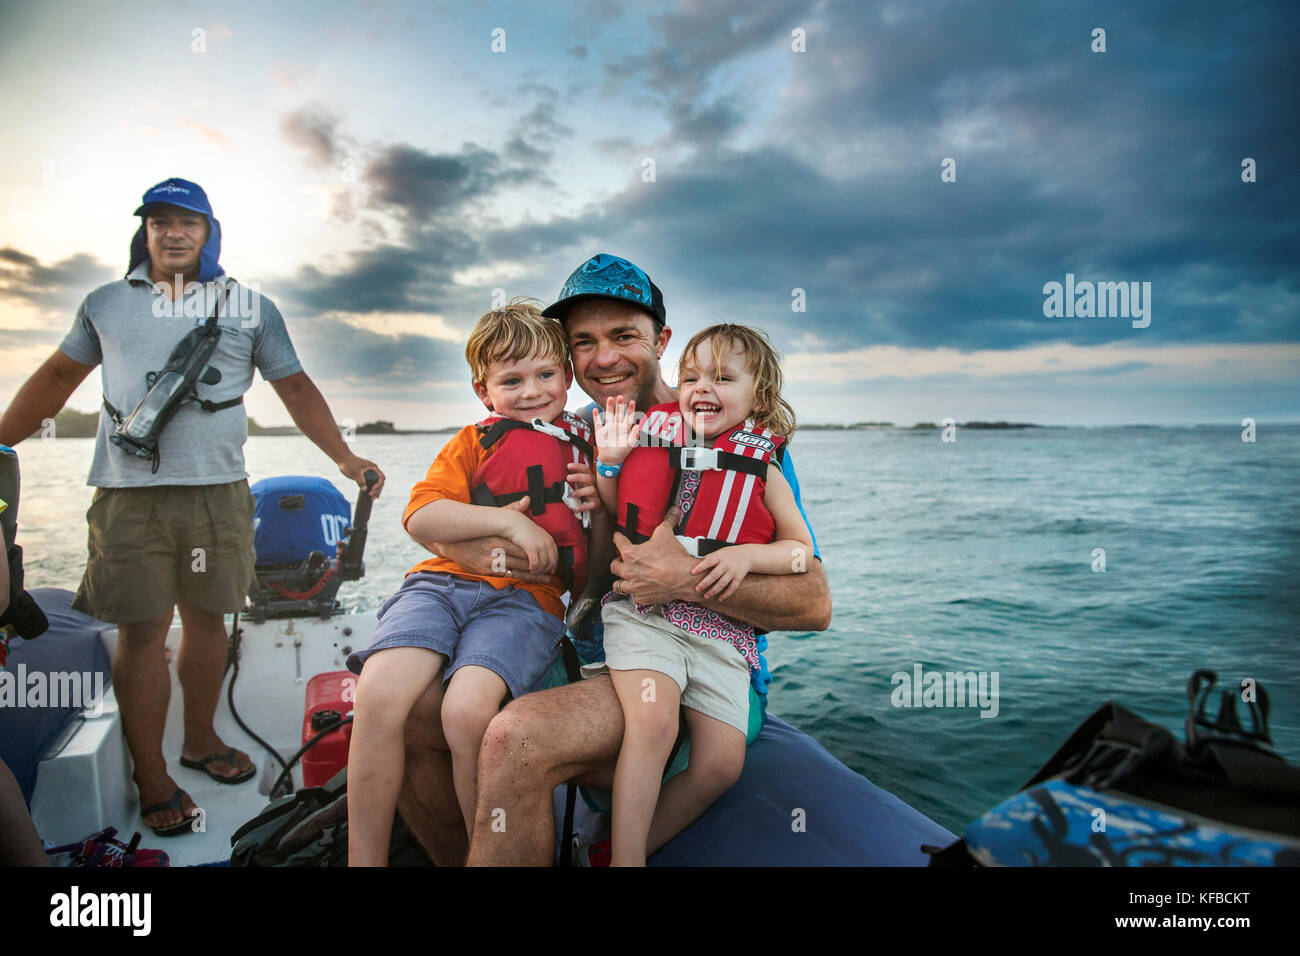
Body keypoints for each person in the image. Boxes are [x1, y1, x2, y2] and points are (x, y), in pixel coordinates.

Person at [398, 253, 831, 866]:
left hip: (691, 661)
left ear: (661, 339)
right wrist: (504, 546)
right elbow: (442, 526)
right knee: (413, 715)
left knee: (515, 737)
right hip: (585, 642)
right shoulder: (564, 432)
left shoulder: (728, 436)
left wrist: (688, 580)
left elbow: (814, 603)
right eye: (584, 342)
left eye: (624, 335)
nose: (604, 358)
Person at [0, 177, 384, 837]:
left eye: (188, 222)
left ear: (210, 233)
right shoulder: (105, 304)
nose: (173, 233)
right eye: (159, 221)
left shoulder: (250, 307)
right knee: (144, 633)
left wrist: (346, 460)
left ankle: (200, 740)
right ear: (143, 231)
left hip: (219, 495)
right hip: (127, 498)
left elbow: (292, 385)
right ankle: (151, 776)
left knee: (209, 621)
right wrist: (0, 439)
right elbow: (59, 378)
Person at [345, 300, 603, 866]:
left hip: (526, 604)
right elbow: (421, 516)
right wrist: (507, 521)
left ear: (566, 376)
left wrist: (599, 504)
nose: (532, 390)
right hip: (439, 587)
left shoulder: (590, 451)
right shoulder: (473, 441)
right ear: (485, 392)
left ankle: (477, 854)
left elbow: (588, 564)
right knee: (378, 694)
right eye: (511, 380)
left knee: (467, 713)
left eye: (545, 374)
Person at [587, 324, 814, 865]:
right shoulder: (654, 437)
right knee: (654, 722)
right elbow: (619, 508)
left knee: (720, 764)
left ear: (758, 396)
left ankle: (608, 853)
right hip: (647, 615)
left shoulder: (763, 464)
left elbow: (800, 552)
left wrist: (744, 556)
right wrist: (609, 461)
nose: (700, 388)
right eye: (690, 377)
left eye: (722, 377)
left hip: (721, 633)